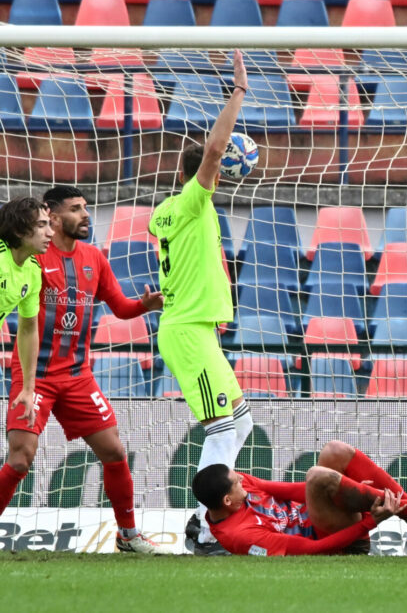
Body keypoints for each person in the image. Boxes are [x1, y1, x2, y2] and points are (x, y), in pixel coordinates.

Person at [2, 187, 168, 554]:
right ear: (53, 217)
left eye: (86, 208)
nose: (86, 214)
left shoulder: (94, 258)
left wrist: (144, 305)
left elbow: (120, 308)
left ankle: (128, 536)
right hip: (36, 374)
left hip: (78, 376)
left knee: (114, 451)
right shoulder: (33, 259)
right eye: (76, 209)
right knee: (20, 458)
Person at [149, 50, 251, 555]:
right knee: (223, 427)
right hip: (189, 331)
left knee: (241, 421)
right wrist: (238, 93)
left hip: (193, 328)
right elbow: (212, 153)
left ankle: (204, 521)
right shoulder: (194, 202)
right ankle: (206, 527)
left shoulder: (165, 211)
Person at [191, 441, 407, 556]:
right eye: (236, 482)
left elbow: (290, 490)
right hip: (338, 541)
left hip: (327, 513)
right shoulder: (240, 537)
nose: (241, 479)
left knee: (334, 451)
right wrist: (370, 522)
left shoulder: (240, 485)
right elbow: (313, 550)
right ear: (227, 501)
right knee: (316, 475)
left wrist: (349, 490)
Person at [0, 197, 51, 517]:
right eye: (42, 225)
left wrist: (28, 389)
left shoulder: (32, 271)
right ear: (20, 231)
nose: (50, 232)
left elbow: (29, 329)